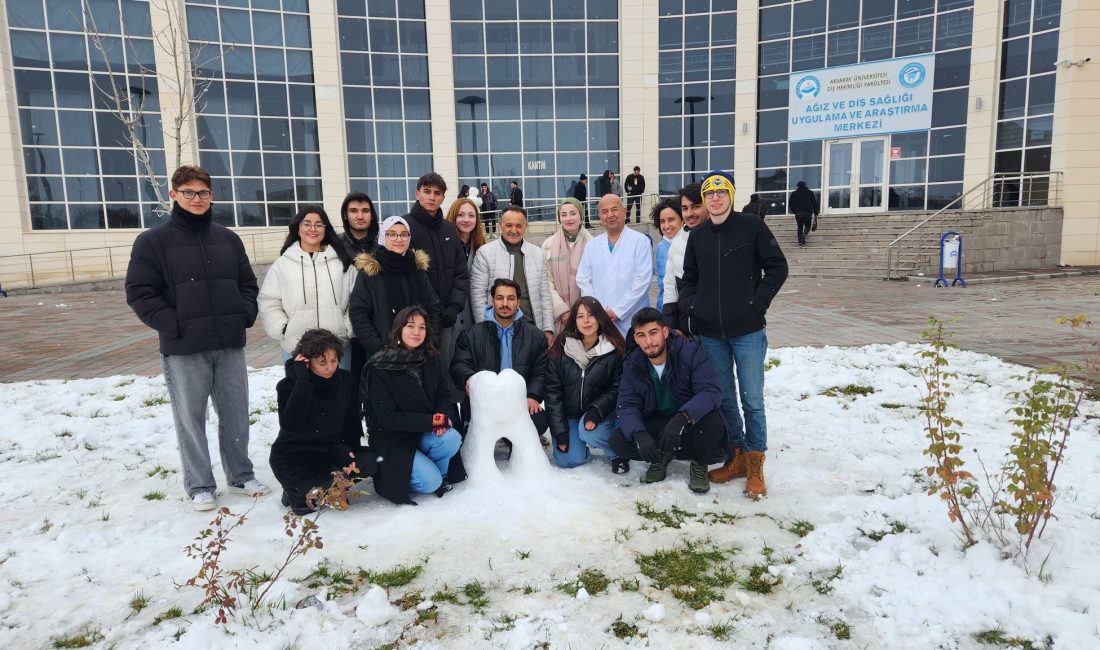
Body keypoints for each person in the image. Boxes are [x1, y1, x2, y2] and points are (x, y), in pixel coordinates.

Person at [125, 165, 270, 511]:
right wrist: (174, 324)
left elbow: (248, 284)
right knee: (190, 417)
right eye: (188, 192)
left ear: (212, 196)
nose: (196, 198)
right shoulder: (152, 242)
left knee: (235, 413)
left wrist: (244, 315)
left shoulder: (228, 239)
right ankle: (200, 483)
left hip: (229, 343)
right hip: (184, 346)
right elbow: (140, 292)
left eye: (203, 192)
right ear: (174, 195)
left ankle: (240, 474)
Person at [680, 170, 788, 498]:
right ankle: (737, 455)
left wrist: (757, 303)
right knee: (725, 398)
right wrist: (693, 308)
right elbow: (688, 279)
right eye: (709, 193)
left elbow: (778, 267)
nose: (715, 197)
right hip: (712, 334)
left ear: (730, 195)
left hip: (748, 332)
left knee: (752, 399)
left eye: (721, 191)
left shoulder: (751, 226)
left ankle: (755, 461)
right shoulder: (697, 236)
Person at [611, 309, 726, 494]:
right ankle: (661, 456)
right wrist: (639, 434)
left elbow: (711, 391)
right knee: (619, 441)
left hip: (688, 420)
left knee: (713, 422)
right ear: (635, 338)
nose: (649, 341)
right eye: (642, 335)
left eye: (653, 333)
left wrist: (682, 418)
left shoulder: (689, 352)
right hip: (658, 422)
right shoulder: (633, 363)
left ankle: (699, 462)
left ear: (665, 332)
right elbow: (626, 404)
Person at [270, 329, 376, 515]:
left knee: (370, 462)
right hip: (296, 458)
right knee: (310, 503)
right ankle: (295, 490)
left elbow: (352, 422)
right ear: (307, 362)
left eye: (334, 360)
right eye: (322, 362)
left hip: (329, 451)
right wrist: (302, 381)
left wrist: (349, 450)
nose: (330, 367)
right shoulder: (288, 386)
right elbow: (290, 424)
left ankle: (323, 486)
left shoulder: (346, 381)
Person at [364, 306, 463, 505]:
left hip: (421, 433)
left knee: (452, 437)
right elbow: (388, 417)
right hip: (393, 437)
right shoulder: (380, 366)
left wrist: (441, 415)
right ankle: (398, 477)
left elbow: (442, 393)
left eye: (422, 327)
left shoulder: (429, 357)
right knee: (429, 482)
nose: (416, 332)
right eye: (410, 326)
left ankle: (434, 473)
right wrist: (433, 421)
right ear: (399, 329)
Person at [259, 206, 356, 369]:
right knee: (301, 392)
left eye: (319, 224)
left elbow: (357, 299)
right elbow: (269, 301)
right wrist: (283, 329)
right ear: (298, 228)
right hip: (296, 347)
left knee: (339, 393)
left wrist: (347, 328)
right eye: (307, 224)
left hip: (337, 347)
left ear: (326, 229)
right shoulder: (283, 265)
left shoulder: (342, 263)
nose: (313, 229)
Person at [451, 279, 549, 435]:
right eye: (499, 298)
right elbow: (459, 365)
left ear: (518, 302)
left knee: (539, 421)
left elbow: (540, 372)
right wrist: (469, 379)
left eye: (510, 298)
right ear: (492, 301)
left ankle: (514, 442)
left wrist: (532, 395)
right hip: (483, 403)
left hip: (519, 402)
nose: (505, 303)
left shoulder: (535, 336)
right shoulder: (471, 335)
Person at [404, 172, 470, 394]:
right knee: (415, 371)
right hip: (415, 317)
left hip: (445, 318)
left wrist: (454, 306)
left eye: (437, 193)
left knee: (441, 369)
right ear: (417, 193)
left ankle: (446, 416)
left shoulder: (448, 229)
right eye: (427, 191)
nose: (431, 197)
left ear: (443, 198)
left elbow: (461, 273)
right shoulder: (405, 227)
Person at [545, 297, 626, 471]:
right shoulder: (561, 348)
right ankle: (579, 443)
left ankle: (617, 452)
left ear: (600, 317)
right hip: (571, 414)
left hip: (603, 414)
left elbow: (618, 387)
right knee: (568, 460)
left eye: (591, 315)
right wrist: (560, 432)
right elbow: (552, 392)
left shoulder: (613, 348)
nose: (586, 321)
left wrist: (597, 410)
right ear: (574, 320)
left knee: (589, 431)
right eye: (580, 316)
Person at [349, 216, 441, 358]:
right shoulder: (370, 272)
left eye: (404, 234)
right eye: (392, 234)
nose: (399, 239)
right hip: (384, 357)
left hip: (419, 354)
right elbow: (359, 314)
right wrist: (379, 349)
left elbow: (433, 307)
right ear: (383, 237)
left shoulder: (417, 270)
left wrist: (430, 342)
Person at [470, 205, 555, 346]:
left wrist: (548, 329)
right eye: (509, 225)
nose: (514, 230)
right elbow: (477, 295)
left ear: (525, 226)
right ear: (500, 225)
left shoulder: (538, 254)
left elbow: (544, 295)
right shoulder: (485, 253)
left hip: (531, 328)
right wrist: (484, 330)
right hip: (497, 329)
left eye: (519, 226)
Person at [576, 194, 653, 338]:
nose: (610, 215)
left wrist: (618, 311)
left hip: (632, 317)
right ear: (600, 216)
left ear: (624, 212)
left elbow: (642, 281)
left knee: (633, 355)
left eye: (614, 209)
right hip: (600, 319)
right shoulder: (592, 245)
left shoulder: (640, 241)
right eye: (604, 211)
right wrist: (596, 309)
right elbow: (583, 279)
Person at [446, 197, 488, 373]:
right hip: (451, 317)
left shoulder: (482, 248)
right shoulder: (445, 246)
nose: (466, 219)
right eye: (461, 215)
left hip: (475, 316)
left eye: (471, 215)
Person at [661, 183, 707, 333]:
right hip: (687, 329)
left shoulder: (721, 239)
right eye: (685, 208)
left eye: (696, 206)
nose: (689, 213)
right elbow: (670, 287)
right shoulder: (677, 243)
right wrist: (671, 325)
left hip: (716, 332)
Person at [542, 198, 593, 332]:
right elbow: (546, 282)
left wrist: (580, 312)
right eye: (563, 215)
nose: (568, 218)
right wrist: (563, 311)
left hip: (586, 315)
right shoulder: (549, 245)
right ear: (559, 218)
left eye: (573, 213)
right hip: (558, 316)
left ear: (581, 216)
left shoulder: (593, 245)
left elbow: (596, 282)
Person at [651, 198, 684, 310]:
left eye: (671, 220)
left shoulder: (690, 243)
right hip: (664, 309)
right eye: (662, 221)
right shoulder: (661, 247)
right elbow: (662, 285)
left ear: (682, 219)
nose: (666, 226)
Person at [340, 191, 379, 256]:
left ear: (372, 215)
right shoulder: (336, 246)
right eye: (353, 211)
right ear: (345, 215)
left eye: (365, 211)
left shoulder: (382, 244)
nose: (360, 217)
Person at [788, 181, 820, 247]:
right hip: (807, 213)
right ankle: (804, 235)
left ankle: (801, 242)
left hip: (798, 214)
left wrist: (795, 211)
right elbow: (814, 204)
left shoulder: (794, 193)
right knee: (808, 226)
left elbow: (790, 204)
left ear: (798, 186)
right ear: (805, 185)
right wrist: (816, 213)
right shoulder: (810, 192)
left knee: (800, 227)